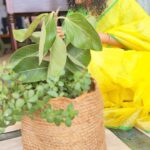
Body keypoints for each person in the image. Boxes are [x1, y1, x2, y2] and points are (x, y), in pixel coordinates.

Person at [58, 0, 150, 132]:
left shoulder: (123, 3)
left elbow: (143, 37)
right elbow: (75, 43)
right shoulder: (76, 11)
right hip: (96, 56)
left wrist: (96, 36)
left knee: (92, 61)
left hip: (126, 57)